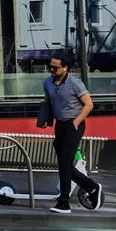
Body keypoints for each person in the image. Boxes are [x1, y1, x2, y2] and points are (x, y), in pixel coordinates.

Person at [36, 54, 96, 213]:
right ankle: (91, 187)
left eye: (55, 67)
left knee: (64, 163)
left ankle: (64, 202)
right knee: (65, 164)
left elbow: (89, 105)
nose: (51, 70)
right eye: (50, 66)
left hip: (73, 125)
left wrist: (76, 123)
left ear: (65, 68)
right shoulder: (48, 82)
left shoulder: (75, 83)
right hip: (60, 125)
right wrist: (45, 120)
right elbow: (48, 101)